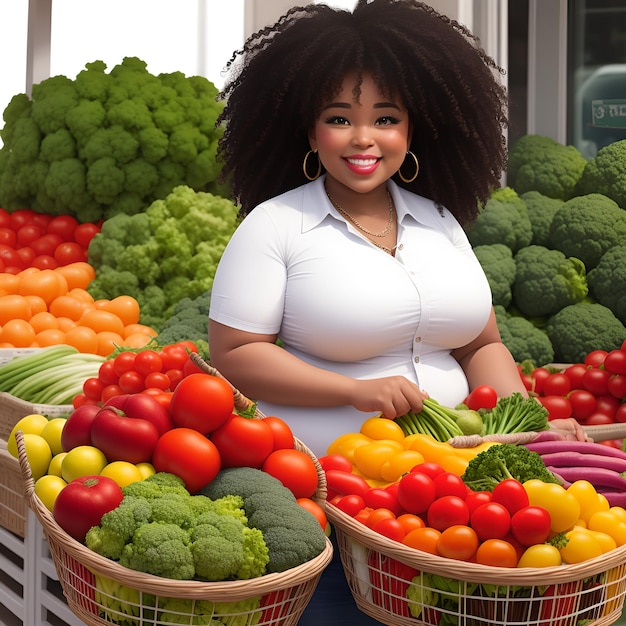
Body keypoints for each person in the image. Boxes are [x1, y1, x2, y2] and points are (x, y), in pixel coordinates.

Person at [207, 2, 586, 623]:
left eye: (386, 118)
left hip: (456, 504)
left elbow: (479, 345)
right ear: (309, 131)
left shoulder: (440, 221)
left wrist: (524, 426)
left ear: (413, 129)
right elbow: (236, 356)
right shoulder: (275, 226)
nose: (364, 139)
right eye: (340, 119)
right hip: (335, 509)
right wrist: (352, 390)